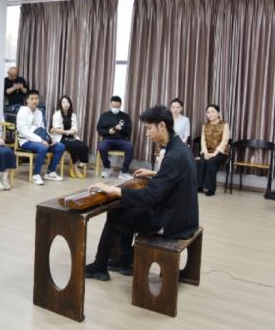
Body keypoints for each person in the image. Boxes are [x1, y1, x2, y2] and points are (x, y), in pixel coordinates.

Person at [85, 105, 199, 281]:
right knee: (129, 208)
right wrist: (154, 174)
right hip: (183, 215)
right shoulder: (180, 148)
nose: (147, 133)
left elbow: (150, 196)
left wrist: (113, 189)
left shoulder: (174, 156)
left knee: (117, 213)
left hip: (174, 222)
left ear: (162, 126)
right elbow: (176, 177)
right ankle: (124, 261)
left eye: (149, 128)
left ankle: (100, 267)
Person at [16, 89, 65, 185]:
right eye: (32, 99)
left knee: (60, 146)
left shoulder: (39, 112)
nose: (35, 101)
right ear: (27, 100)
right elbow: (24, 131)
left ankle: (50, 172)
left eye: (36, 98)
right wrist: (40, 140)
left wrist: (51, 139)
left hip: (40, 140)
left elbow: (42, 129)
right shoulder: (22, 112)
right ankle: (36, 175)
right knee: (42, 148)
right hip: (25, 141)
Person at [96, 96, 134, 181]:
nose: (115, 108)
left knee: (130, 147)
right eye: (113, 106)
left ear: (120, 105)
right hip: (108, 140)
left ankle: (124, 172)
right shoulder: (104, 116)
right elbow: (99, 130)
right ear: (110, 104)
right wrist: (108, 132)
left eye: (117, 106)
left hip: (121, 141)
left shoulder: (125, 116)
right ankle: (107, 167)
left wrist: (121, 129)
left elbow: (129, 131)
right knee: (101, 147)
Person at [51, 95, 89, 179]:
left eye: (67, 102)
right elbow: (57, 129)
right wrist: (67, 132)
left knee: (83, 145)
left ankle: (73, 166)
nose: (66, 104)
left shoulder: (73, 115)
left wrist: (69, 132)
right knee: (74, 147)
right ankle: (75, 168)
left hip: (71, 137)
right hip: (61, 138)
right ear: (60, 104)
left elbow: (75, 129)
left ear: (70, 104)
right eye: (63, 102)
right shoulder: (57, 114)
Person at [196, 104, 230, 196]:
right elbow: (203, 140)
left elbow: (225, 140)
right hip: (207, 151)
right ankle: (199, 186)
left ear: (218, 113)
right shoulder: (205, 125)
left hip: (221, 152)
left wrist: (215, 153)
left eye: (213, 112)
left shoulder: (224, 125)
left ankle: (210, 188)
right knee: (202, 160)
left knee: (211, 162)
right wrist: (205, 152)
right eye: (208, 112)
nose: (210, 114)